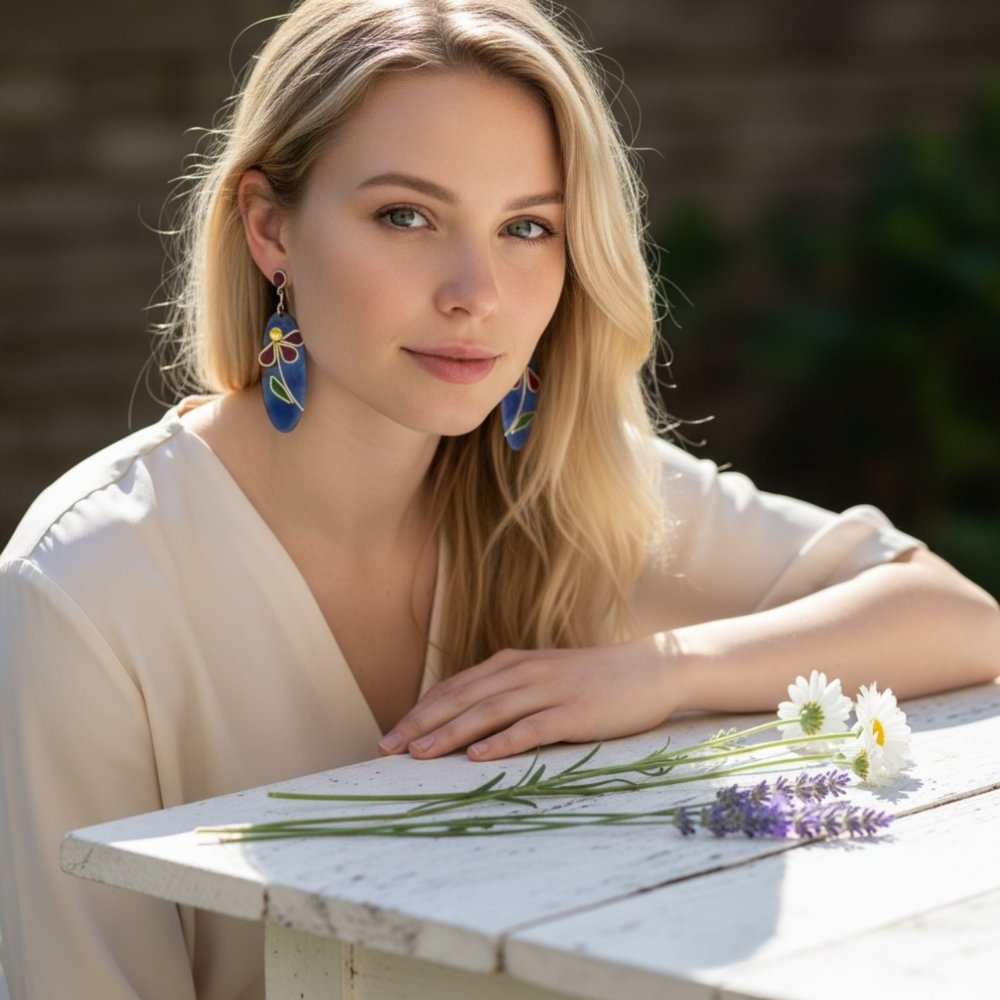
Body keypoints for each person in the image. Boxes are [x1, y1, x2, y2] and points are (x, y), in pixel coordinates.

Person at [1, 0, 997, 996]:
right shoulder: (87, 588)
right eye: (406, 216)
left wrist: (660, 670)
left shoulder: (570, 482)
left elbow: (955, 618)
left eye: (528, 226)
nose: (476, 290)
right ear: (270, 229)